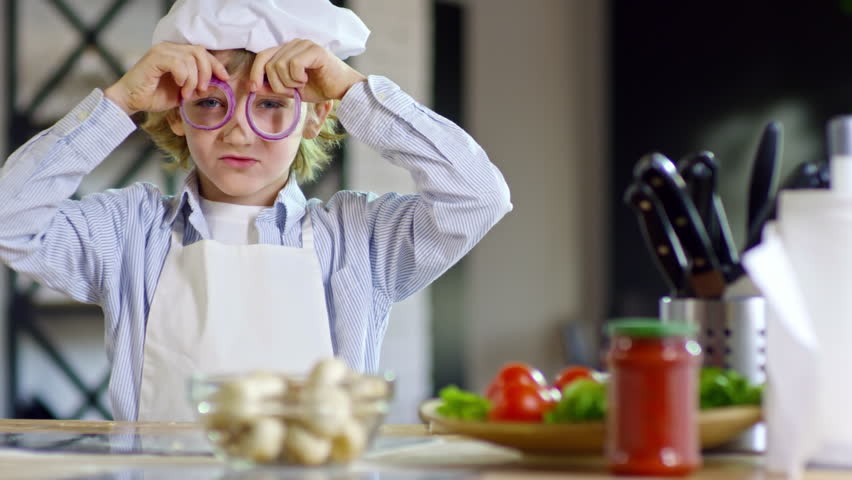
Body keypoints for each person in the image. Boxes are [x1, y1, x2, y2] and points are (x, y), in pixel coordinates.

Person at [0, 0, 511, 421]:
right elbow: (10, 221)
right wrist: (117, 103)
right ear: (177, 114)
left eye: (270, 104)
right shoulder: (130, 233)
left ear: (313, 117)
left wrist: (352, 90)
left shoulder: (361, 241)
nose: (239, 130)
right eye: (209, 103)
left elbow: (477, 197)